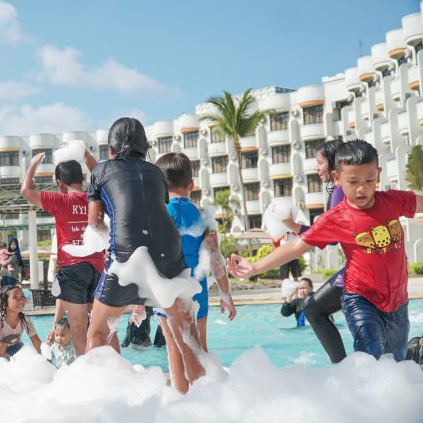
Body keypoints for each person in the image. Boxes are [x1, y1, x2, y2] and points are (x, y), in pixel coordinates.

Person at [229, 140, 423, 361]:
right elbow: (296, 246)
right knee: (371, 360)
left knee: (395, 364)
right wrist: (255, 267)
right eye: (353, 181)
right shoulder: (337, 217)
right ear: (338, 179)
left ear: (378, 175)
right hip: (361, 298)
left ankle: (414, 352)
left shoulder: (393, 201)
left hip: (398, 301)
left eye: (369, 180)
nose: (362, 188)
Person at [85, 117, 207, 391]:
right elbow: (151, 211)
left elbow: (94, 223)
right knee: (188, 336)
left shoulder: (101, 170)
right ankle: (210, 404)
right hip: (168, 248)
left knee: (99, 333)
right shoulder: (156, 173)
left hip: (127, 251)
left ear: (111, 148)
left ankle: (103, 405)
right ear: (144, 146)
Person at [154, 152, 236, 393]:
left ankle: (182, 405)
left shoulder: (158, 216)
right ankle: (205, 403)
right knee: (199, 348)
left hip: (166, 289)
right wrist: (225, 294)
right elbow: (216, 258)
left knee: (174, 349)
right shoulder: (203, 218)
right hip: (196, 288)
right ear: (191, 184)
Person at [21, 150, 104, 356]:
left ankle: (87, 375)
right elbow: (103, 175)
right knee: (103, 328)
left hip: (72, 269)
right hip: (98, 268)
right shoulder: (96, 199)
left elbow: (26, 191)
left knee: (78, 328)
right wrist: (84, 153)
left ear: (59, 183)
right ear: (82, 179)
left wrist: (33, 165)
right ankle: (114, 371)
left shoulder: (59, 201)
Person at [281, 139, 347, 363]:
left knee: (312, 308)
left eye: (319, 162)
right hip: (369, 269)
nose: (316, 168)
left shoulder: (339, 191)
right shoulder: (340, 190)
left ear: (332, 163)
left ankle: (341, 367)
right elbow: (331, 237)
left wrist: (294, 227)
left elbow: (329, 238)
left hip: (357, 271)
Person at [0, 285, 41, 358]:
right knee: (1, 346)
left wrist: (46, 359)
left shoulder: (25, 320)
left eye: (22, 296)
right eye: (15, 297)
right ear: (5, 302)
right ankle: (0, 365)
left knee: (27, 352)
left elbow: (36, 342)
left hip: (14, 346)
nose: (21, 300)